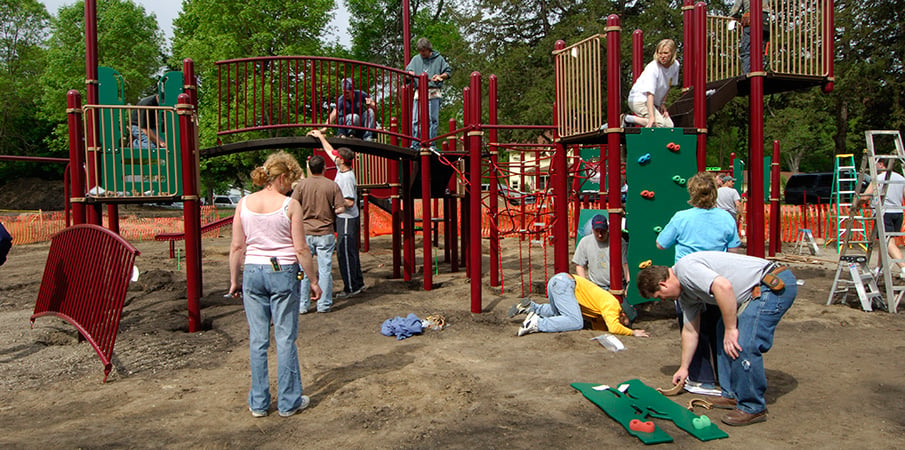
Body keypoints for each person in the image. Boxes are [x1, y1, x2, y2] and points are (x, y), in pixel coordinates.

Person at [636, 252, 797, 426]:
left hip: (770, 285)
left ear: (662, 284)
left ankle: (753, 407)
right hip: (754, 292)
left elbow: (723, 287)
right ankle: (732, 395)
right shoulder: (685, 295)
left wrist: (731, 329)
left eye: (659, 296)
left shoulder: (686, 270)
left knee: (742, 343)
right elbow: (690, 331)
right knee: (722, 333)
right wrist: (684, 368)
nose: (663, 300)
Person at [228, 151, 322, 418]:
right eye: (290, 181)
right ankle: (289, 401)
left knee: (258, 340)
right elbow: (301, 248)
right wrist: (313, 280)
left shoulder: (243, 203)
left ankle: (258, 403)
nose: (291, 186)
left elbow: (237, 246)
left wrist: (235, 279)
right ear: (282, 178)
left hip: (253, 272)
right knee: (285, 338)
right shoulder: (289, 205)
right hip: (282, 271)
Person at [657, 172, 741, 396]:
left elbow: (661, 244)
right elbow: (733, 251)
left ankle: (700, 377)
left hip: (688, 282)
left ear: (691, 193)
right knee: (719, 328)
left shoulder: (682, 217)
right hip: (716, 281)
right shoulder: (726, 218)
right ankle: (725, 379)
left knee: (692, 328)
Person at [291, 136, 345, 313]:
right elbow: (339, 210)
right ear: (323, 168)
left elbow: (291, 206)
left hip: (305, 232)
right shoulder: (332, 186)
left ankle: (302, 304)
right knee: (325, 270)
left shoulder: (300, 186)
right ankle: (323, 304)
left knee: (304, 270)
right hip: (325, 232)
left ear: (309, 168)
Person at [309, 131, 365, 298]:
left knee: (345, 252)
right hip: (344, 219)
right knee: (349, 252)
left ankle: (350, 287)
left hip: (347, 219)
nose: (334, 157)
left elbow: (349, 202)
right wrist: (320, 137)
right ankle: (357, 283)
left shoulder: (347, 177)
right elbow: (329, 150)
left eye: (336, 156)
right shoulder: (342, 168)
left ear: (341, 160)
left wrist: (331, 205)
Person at [509, 273, 648, 337]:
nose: (623, 325)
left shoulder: (603, 311)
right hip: (566, 284)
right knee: (575, 321)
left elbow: (600, 329)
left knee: (561, 315)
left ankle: (531, 308)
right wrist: (632, 332)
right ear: (623, 314)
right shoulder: (613, 306)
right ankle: (537, 323)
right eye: (625, 322)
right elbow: (614, 327)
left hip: (558, 282)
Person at [861, 158, 905, 278]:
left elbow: (865, 197)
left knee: (887, 242)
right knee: (885, 241)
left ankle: (903, 267)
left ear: (881, 164)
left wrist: (857, 204)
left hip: (884, 212)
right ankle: (879, 268)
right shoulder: (901, 178)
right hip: (898, 212)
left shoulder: (878, 178)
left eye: (876, 164)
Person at [405, 37, 452, 149]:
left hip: (433, 92)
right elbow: (407, 73)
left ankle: (431, 143)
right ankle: (416, 143)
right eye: (420, 51)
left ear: (428, 49)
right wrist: (409, 74)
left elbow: (448, 72)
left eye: (424, 51)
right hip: (419, 92)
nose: (422, 53)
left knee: (433, 119)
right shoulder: (416, 59)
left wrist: (440, 76)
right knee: (416, 119)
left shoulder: (438, 59)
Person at [625, 39, 680, 128]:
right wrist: (651, 117)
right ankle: (627, 119)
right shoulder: (653, 68)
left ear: (672, 53)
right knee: (659, 124)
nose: (662, 56)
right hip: (639, 100)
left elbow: (669, 85)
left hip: (653, 102)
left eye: (665, 53)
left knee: (670, 126)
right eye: (660, 53)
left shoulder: (675, 66)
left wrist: (662, 103)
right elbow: (650, 93)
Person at [572, 214, 629, 291]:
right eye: (597, 231)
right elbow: (579, 265)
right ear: (592, 229)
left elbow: (625, 264)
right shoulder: (585, 242)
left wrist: (628, 283)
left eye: (602, 231)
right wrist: (585, 285)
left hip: (618, 286)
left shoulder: (619, 242)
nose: (600, 235)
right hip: (596, 286)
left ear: (607, 228)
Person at [730, 0, 771, 74]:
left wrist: (739, 17)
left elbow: (734, 11)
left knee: (746, 50)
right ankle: (760, 71)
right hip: (764, 20)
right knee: (762, 49)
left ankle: (748, 74)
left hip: (751, 20)